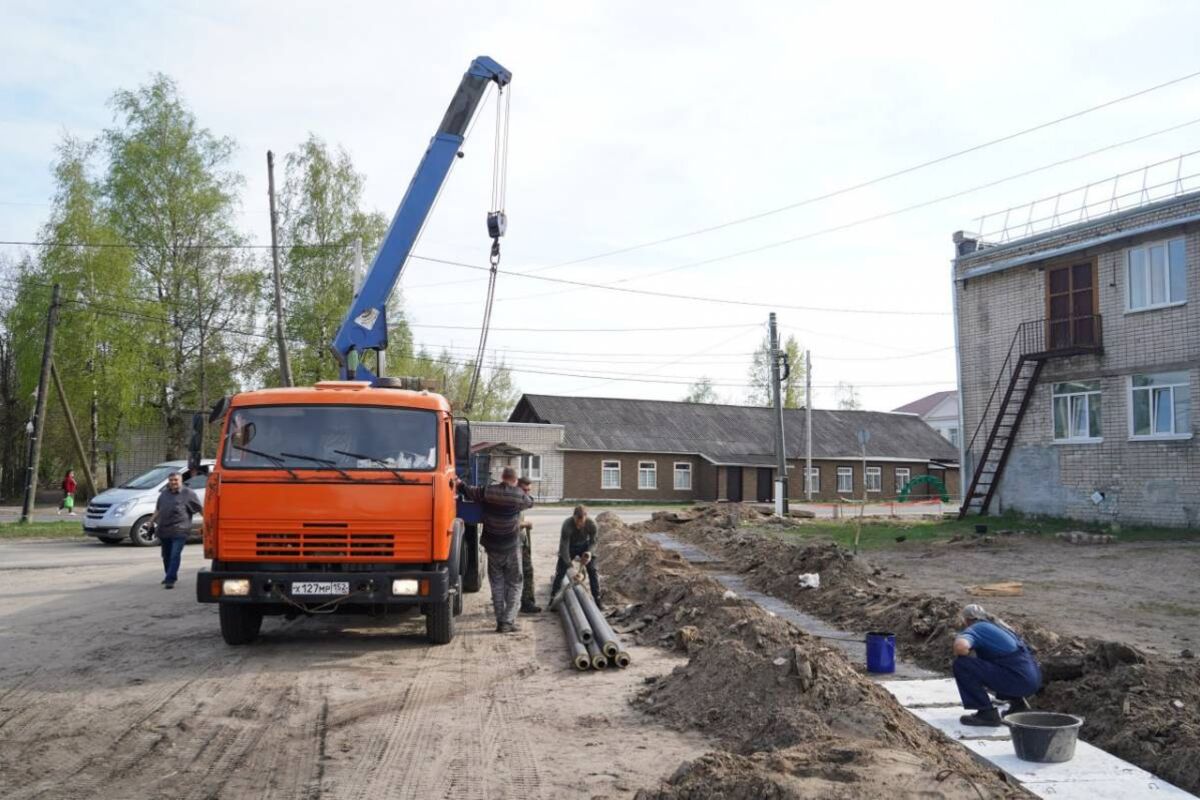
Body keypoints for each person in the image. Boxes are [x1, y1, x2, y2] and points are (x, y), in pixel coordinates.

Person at [457, 466, 534, 633]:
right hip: (511, 547)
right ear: (515, 480)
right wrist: (521, 492)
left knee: (496, 583)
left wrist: (459, 483)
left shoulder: (488, 491)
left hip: (492, 546)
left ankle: (500, 621)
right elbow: (530, 502)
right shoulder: (519, 495)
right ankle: (508, 621)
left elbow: (469, 491)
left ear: (502, 477)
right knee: (515, 583)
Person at [953, 603, 1042, 726]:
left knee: (962, 664)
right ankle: (1018, 705)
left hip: (1018, 680)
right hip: (1032, 680)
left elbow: (961, 648)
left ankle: (986, 714)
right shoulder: (999, 626)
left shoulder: (977, 628)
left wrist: (963, 643)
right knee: (995, 664)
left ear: (967, 620)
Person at [147, 472, 202, 590]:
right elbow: (158, 509)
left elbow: (199, 509)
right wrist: (151, 521)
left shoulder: (189, 493)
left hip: (180, 530)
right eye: (171, 480)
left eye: (175, 480)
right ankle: (170, 574)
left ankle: (170, 580)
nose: (173, 482)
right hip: (164, 529)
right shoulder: (164, 494)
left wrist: (208, 524)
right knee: (166, 556)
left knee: (174, 555)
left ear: (181, 480)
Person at [550, 505, 600, 604]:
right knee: (560, 571)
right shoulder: (567, 524)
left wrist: (589, 553)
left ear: (586, 517)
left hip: (584, 546)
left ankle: (597, 599)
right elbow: (564, 546)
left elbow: (594, 542)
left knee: (593, 570)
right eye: (577, 523)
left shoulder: (592, 524)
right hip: (570, 546)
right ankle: (553, 597)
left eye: (581, 524)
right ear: (574, 517)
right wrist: (569, 564)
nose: (579, 525)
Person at [516, 476, 541, 614]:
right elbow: (510, 523)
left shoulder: (521, 499)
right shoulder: (513, 499)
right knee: (516, 575)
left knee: (527, 571)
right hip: (513, 544)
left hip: (521, 541)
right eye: (524, 490)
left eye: (529, 490)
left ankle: (527, 603)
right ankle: (516, 604)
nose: (527, 493)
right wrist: (525, 524)